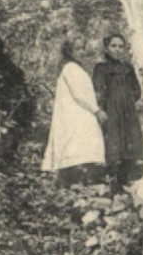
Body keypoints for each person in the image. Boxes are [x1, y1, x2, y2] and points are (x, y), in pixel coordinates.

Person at [41, 37, 107, 187]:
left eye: (83, 48)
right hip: (77, 115)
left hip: (81, 114)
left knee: (81, 152)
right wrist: (96, 110)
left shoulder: (75, 69)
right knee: (79, 151)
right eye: (78, 49)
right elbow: (79, 94)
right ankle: (80, 187)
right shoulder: (71, 68)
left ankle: (83, 187)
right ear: (69, 51)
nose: (82, 52)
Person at [93, 34, 143, 194]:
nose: (117, 49)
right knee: (113, 142)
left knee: (129, 142)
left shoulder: (127, 68)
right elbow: (97, 91)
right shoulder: (101, 68)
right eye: (113, 46)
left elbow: (137, 91)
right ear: (106, 48)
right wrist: (104, 108)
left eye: (120, 46)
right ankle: (112, 182)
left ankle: (127, 181)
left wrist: (127, 100)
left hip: (128, 112)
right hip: (111, 111)